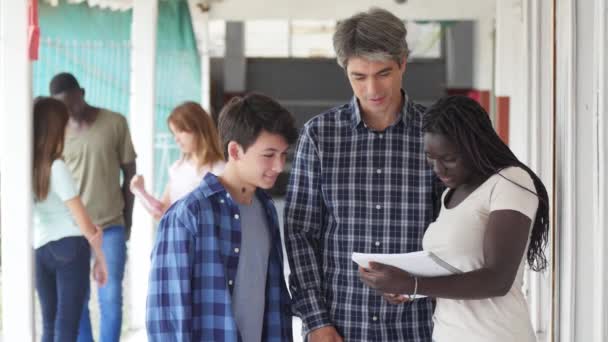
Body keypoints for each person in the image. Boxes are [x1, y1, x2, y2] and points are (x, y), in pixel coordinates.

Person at [284, 7, 441, 341]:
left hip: (420, 326)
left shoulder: (438, 135)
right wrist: (315, 321)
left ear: (403, 63)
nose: (372, 89)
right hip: (340, 325)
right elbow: (301, 234)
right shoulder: (320, 136)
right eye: (359, 76)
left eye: (383, 73)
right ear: (345, 70)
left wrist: (420, 287)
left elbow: (455, 231)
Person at [359, 95, 550, 342]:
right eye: (431, 158)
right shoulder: (450, 193)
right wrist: (405, 288)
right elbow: (458, 269)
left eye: (449, 159)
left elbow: (498, 280)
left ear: (475, 145)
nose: (439, 169)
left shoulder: (510, 182)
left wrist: (413, 284)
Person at [146, 93, 297, 341]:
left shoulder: (266, 208)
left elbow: (273, 298)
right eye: (269, 155)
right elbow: (166, 316)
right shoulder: (188, 215)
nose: (279, 167)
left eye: (283, 155)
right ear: (235, 151)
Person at [49, 72, 137, 342]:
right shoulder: (57, 134)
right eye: (59, 105)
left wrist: (128, 221)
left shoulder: (115, 123)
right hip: (73, 230)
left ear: (82, 93)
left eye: (70, 101)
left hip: (110, 225)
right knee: (77, 301)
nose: (66, 109)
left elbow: (130, 172)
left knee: (110, 297)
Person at [33, 97, 109, 342]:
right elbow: (83, 221)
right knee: (67, 329)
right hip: (69, 247)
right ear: (55, 127)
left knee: (49, 325)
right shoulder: (56, 167)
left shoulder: (28, 167)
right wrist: (100, 257)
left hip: (40, 248)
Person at [129, 101, 225, 220]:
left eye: (181, 131)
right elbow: (161, 212)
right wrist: (141, 192)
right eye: (174, 133)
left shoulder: (220, 170)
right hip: (177, 238)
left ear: (198, 129)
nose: (176, 139)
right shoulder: (177, 168)